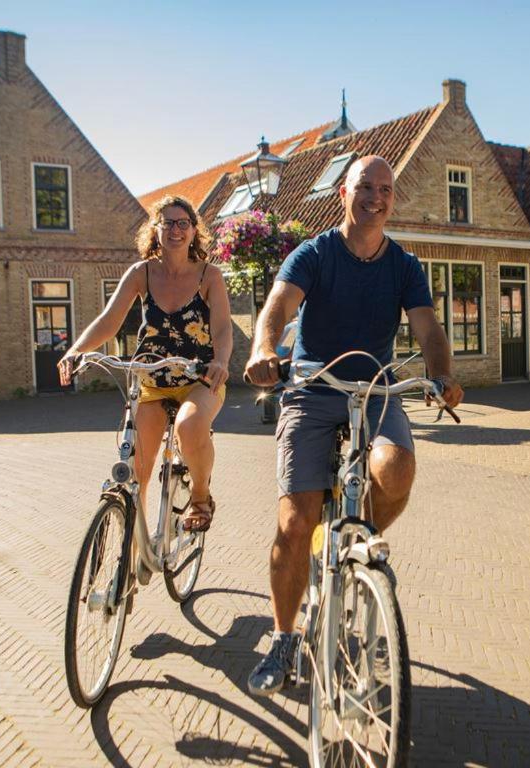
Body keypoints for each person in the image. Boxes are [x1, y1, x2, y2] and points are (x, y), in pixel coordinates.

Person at [243, 155, 464, 695]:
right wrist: (264, 348)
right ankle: (284, 638)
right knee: (296, 523)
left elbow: (428, 329)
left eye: (385, 189)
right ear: (344, 193)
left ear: (393, 199)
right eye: (365, 186)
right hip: (313, 389)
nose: (376, 197)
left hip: (377, 390)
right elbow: (277, 306)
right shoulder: (315, 254)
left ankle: (356, 543)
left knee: (398, 467)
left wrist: (441, 374)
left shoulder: (404, 267)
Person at [58, 195, 232, 531]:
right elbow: (109, 321)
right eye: (167, 222)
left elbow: (223, 328)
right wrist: (76, 350)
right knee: (136, 472)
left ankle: (200, 497)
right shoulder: (141, 273)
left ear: (194, 231)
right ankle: (132, 558)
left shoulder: (209, 275)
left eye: (183, 223)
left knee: (190, 426)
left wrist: (221, 362)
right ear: (156, 229)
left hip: (200, 378)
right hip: (151, 381)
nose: (175, 229)